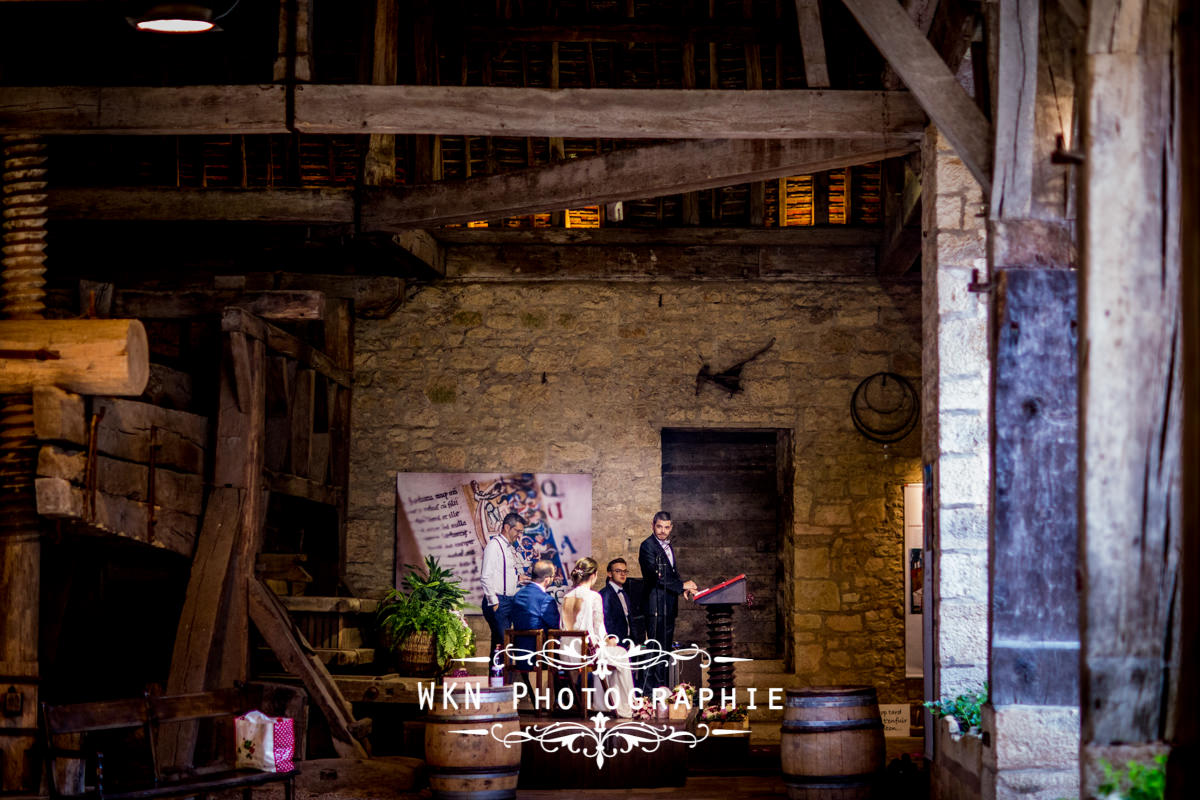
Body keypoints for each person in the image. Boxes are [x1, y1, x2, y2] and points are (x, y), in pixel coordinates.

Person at [561, 557, 634, 718]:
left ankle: (602, 702)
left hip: (566, 652)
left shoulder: (567, 596)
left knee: (610, 655)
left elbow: (564, 626)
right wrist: (610, 641)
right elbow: (599, 631)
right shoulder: (594, 596)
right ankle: (625, 704)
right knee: (620, 653)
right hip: (585, 653)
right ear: (594, 575)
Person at [638, 511, 697, 690]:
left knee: (665, 650)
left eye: (666, 527)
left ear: (671, 527)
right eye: (659, 527)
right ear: (652, 525)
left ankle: (662, 689)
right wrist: (681, 585)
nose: (663, 531)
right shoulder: (647, 546)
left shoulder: (668, 546)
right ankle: (649, 692)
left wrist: (682, 589)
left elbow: (672, 573)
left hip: (669, 605)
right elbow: (656, 576)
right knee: (655, 649)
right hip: (655, 605)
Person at [480, 512, 529, 653]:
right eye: (517, 531)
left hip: (508, 601)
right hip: (498, 601)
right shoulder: (494, 546)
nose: (519, 535)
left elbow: (502, 573)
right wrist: (495, 603)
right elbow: (486, 576)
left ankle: (497, 675)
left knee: (499, 645)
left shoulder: (509, 547)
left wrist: (518, 579)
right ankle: (505, 675)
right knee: (505, 644)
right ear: (507, 527)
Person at [599, 558, 641, 646]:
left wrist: (634, 640)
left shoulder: (624, 593)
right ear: (609, 573)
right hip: (615, 642)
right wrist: (612, 640)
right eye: (618, 571)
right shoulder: (606, 593)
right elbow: (606, 620)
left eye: (625, 571)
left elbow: (629, 618)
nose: (622, 574)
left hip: (627, 640)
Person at [511, 559, 561, 632]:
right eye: (553, 576)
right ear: (547, 579)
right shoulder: (546, 600)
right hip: (540, 642)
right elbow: (555, 626)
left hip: (518, 642)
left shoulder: (518, 595)